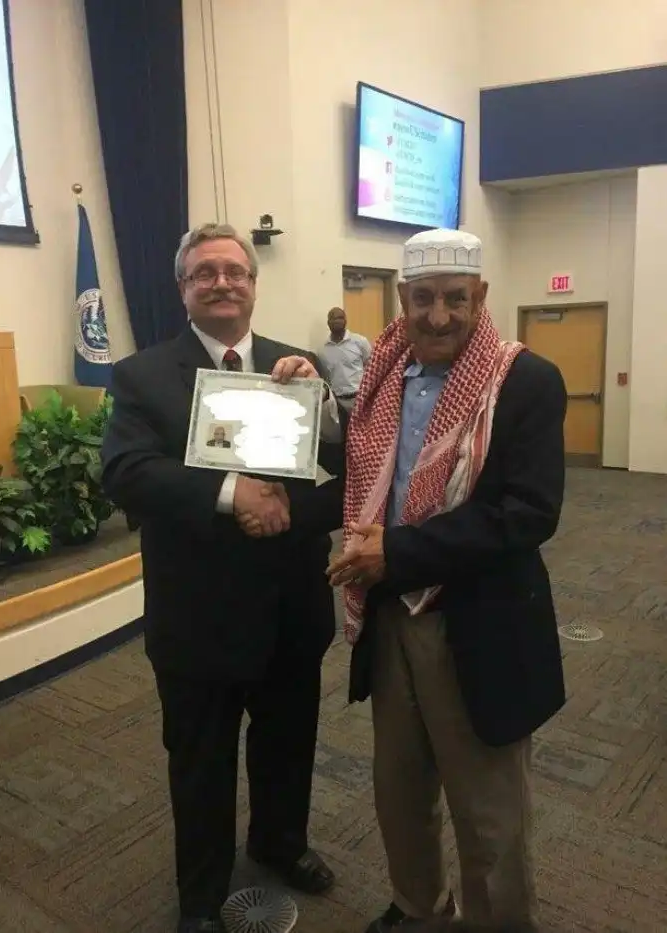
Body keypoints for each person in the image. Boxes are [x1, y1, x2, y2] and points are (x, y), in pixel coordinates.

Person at [102, 223, 347, 933]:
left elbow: (350, 467)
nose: (221, 282)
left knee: (288, 743)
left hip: (290, 607)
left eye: (235, 271)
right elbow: (126, 471)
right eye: (204, 272)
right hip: (198, 619)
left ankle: (280, 843)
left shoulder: (298, 368)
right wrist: (232, 494)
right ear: (183, 288)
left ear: (253, 285)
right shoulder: (143, 375)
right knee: (201, 764)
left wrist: (325, 415)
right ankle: (202, 897)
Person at [327, 228, 567, 932]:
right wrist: (297, 394)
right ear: (403, 298)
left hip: (478, 623)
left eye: (456, 298)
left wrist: (397, 554)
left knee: (487, 807)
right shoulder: (382, 375)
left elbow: (527, 514)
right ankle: (418, 906)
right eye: (424, 298)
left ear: (480, 296)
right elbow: (356, 476)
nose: (438, 316)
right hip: (391, 619)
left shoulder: (524, 380)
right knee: (399, 788)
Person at [317, 307, 372, 410]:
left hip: (359, 399)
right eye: (333, 318)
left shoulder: (360, 342)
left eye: (340, 318)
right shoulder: (322, 350)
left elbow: (372, 369)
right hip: (336, 403)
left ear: (345, 321)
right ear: (328, 323)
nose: (337, 321)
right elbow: (325, 378)